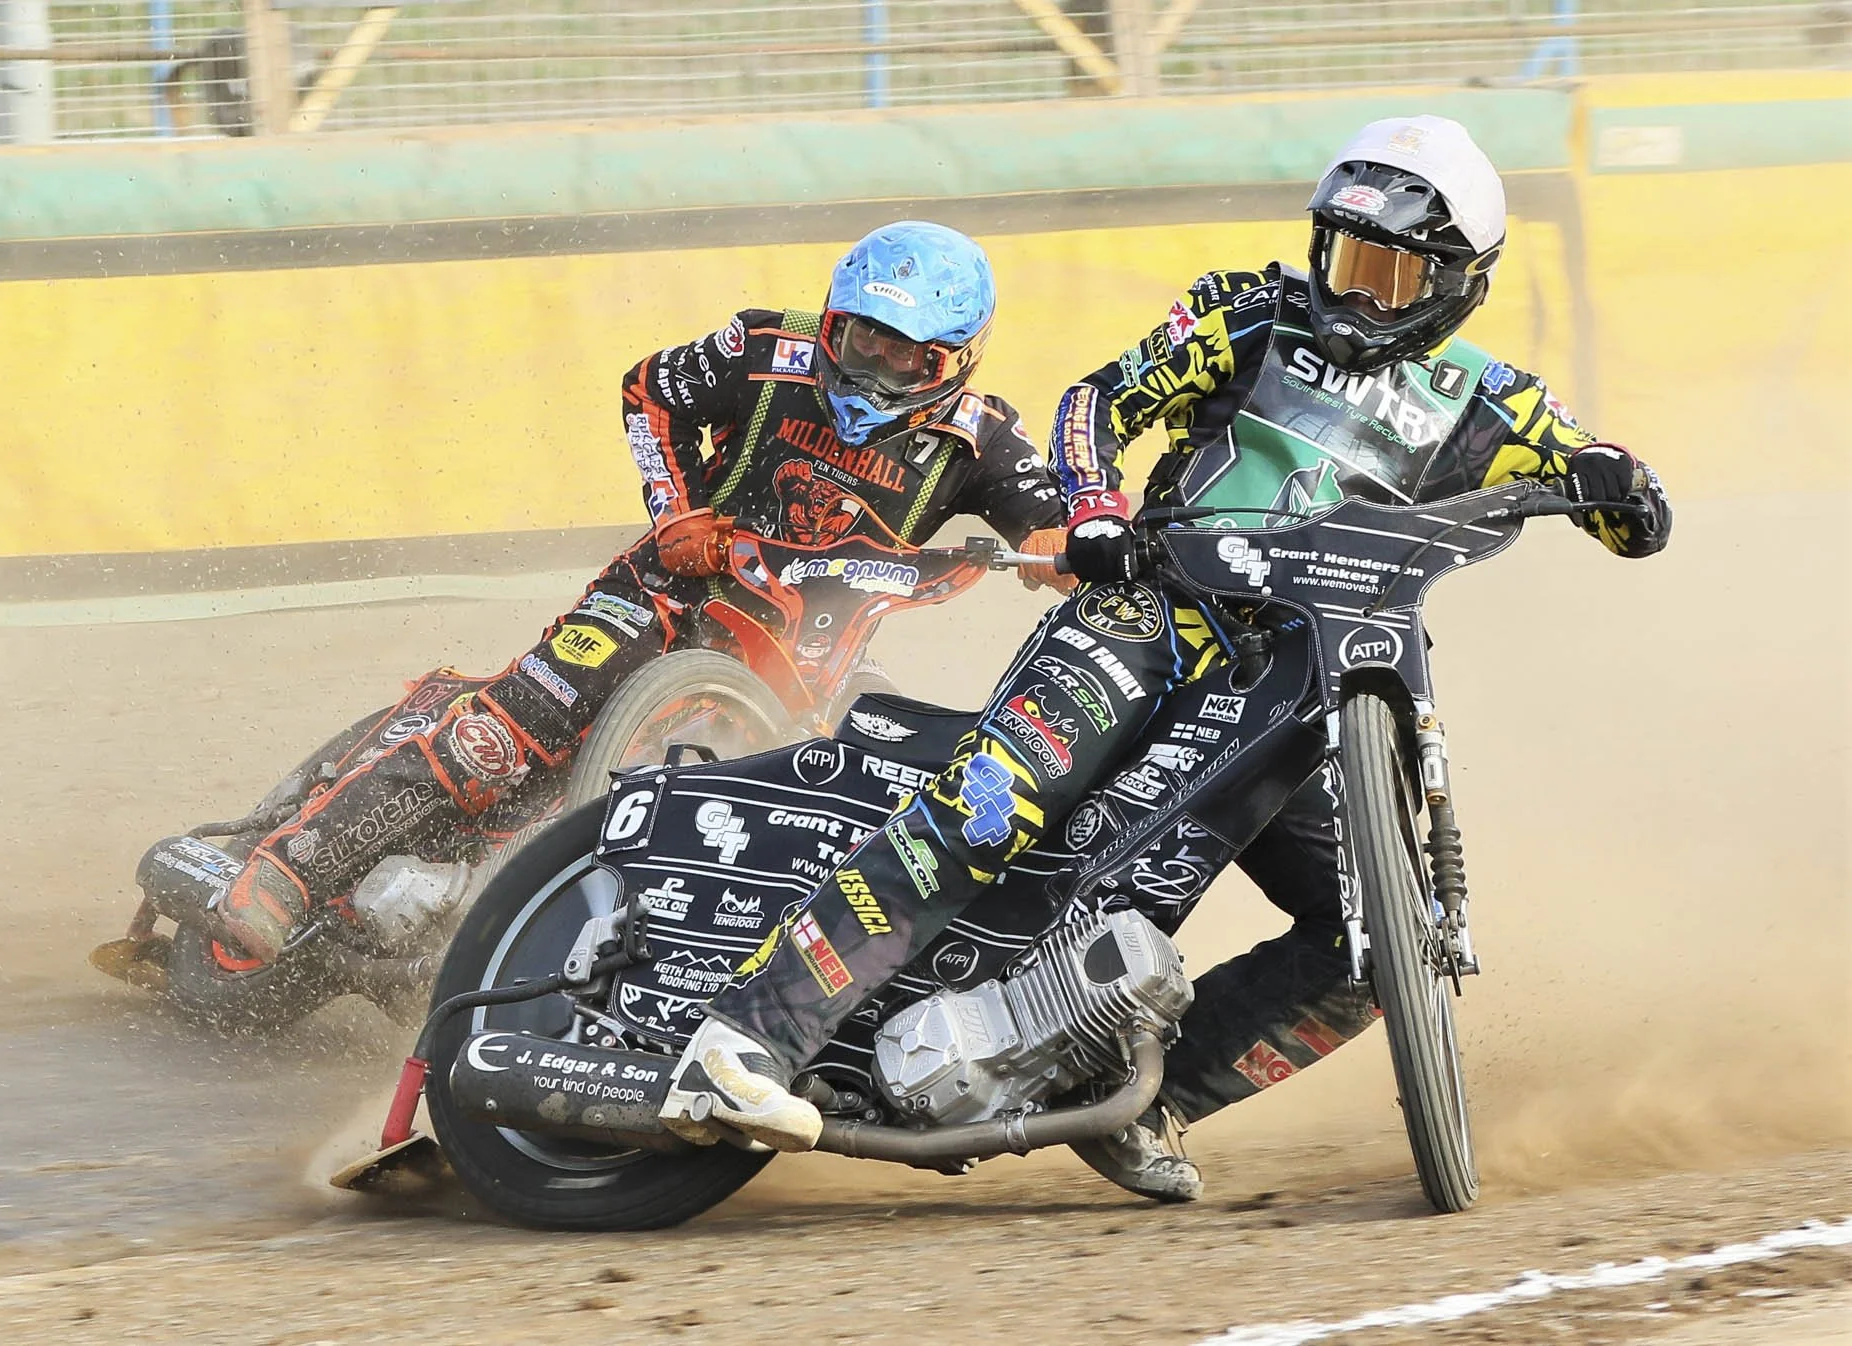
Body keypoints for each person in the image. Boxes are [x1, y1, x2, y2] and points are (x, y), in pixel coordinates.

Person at [656, 117, 1674, 1196]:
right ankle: (741, 1037)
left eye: (1392, 274)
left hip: (1304, 680)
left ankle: (1156, 1096)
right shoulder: (1249, 309)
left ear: (1462, 280)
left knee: (1374, 941)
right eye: (1343, 258)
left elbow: (1628, 510)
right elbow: (1098, 398)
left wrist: (1623, 482)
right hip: (1146, 617)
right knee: (987, 809)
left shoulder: (1493, 398)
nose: (1356, 294)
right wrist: (1093, 509)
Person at [214, 221, 1068, 966]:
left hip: (798, 654)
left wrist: (1055, 545)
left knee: (843, 806)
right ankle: (290, 870)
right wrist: (679, 511)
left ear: (955, 359)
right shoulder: (766, 347)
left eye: (905, 352)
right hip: (665, 587)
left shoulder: (984, 436)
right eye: (862, 339)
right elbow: (648, 388)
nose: (875, 366)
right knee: (522, 716)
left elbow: (1058, 518)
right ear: (835, 322)